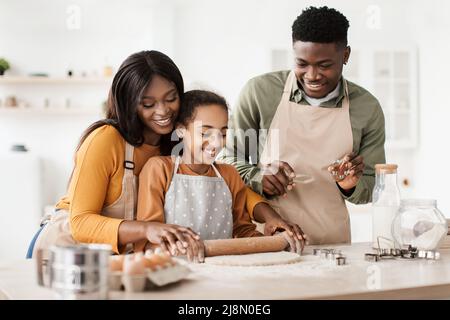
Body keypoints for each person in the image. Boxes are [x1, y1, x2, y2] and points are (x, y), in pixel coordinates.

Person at [27, 50, 304, 258]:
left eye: (171, 98)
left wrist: (271, 218)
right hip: (65, 249)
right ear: (128, 103)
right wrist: (148, 229)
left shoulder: (172, 143)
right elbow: (81, 222)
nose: (162, 111)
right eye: (148, 103)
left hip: (118, 255)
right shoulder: (105, 140)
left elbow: (235, 189)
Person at [220, 6, 386, 244]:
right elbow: (228, 159)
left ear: (346, 55)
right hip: (265, 239)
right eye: (302, 63)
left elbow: (372, 186)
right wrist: (259, 177)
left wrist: (351, 185)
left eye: (324, 65)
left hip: (332, 244)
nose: (312, 75)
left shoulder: (366, 108)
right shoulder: (260, 93)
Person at [136, 90, 305, 262]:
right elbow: (149, 240)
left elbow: (243, 232)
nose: (216, 143)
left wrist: (278, 240)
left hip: (223, 272)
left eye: (223, 134)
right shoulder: (159, 169)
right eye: (205, 133)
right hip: (176, 271)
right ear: (180, 130)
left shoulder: (229, 174)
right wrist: (184, 248)